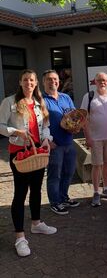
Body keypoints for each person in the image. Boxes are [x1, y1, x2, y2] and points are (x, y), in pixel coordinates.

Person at [0, 69, 57, 257]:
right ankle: (19, 237)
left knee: (36, 189)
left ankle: (36, 223)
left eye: (32, 80)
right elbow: (0, 125)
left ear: (35, 83)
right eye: (25, 80)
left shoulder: (40, 102)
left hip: (37, 152)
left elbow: (46, 126)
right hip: (20, 154)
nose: (29, 83)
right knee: (20, 193)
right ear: (20, 82)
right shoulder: (10, 102)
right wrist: (16, 132)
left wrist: (47, 140)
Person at [81, 72, 107, 207]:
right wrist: (88, 137)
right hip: (96, 138)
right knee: (96, 165)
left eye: (104, 80)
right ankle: (96, 192)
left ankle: (106, 188)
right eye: (99, 80)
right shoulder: (89, 96)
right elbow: (84, 118)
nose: (102, 82)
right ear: (95, 82)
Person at [43, 70, 80, 215]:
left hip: (69, 142)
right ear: (43, 82)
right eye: (49, 79)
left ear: (59, 81)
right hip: (54, 145)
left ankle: (64, 197)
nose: (53, 82)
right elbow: (38, 123)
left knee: (69, 172)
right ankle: (55, 202)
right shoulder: (41, 100)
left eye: (55, 79)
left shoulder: (66, 97)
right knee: (55, 175)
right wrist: (46, 140)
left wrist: (76, 126)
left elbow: (75, 116)